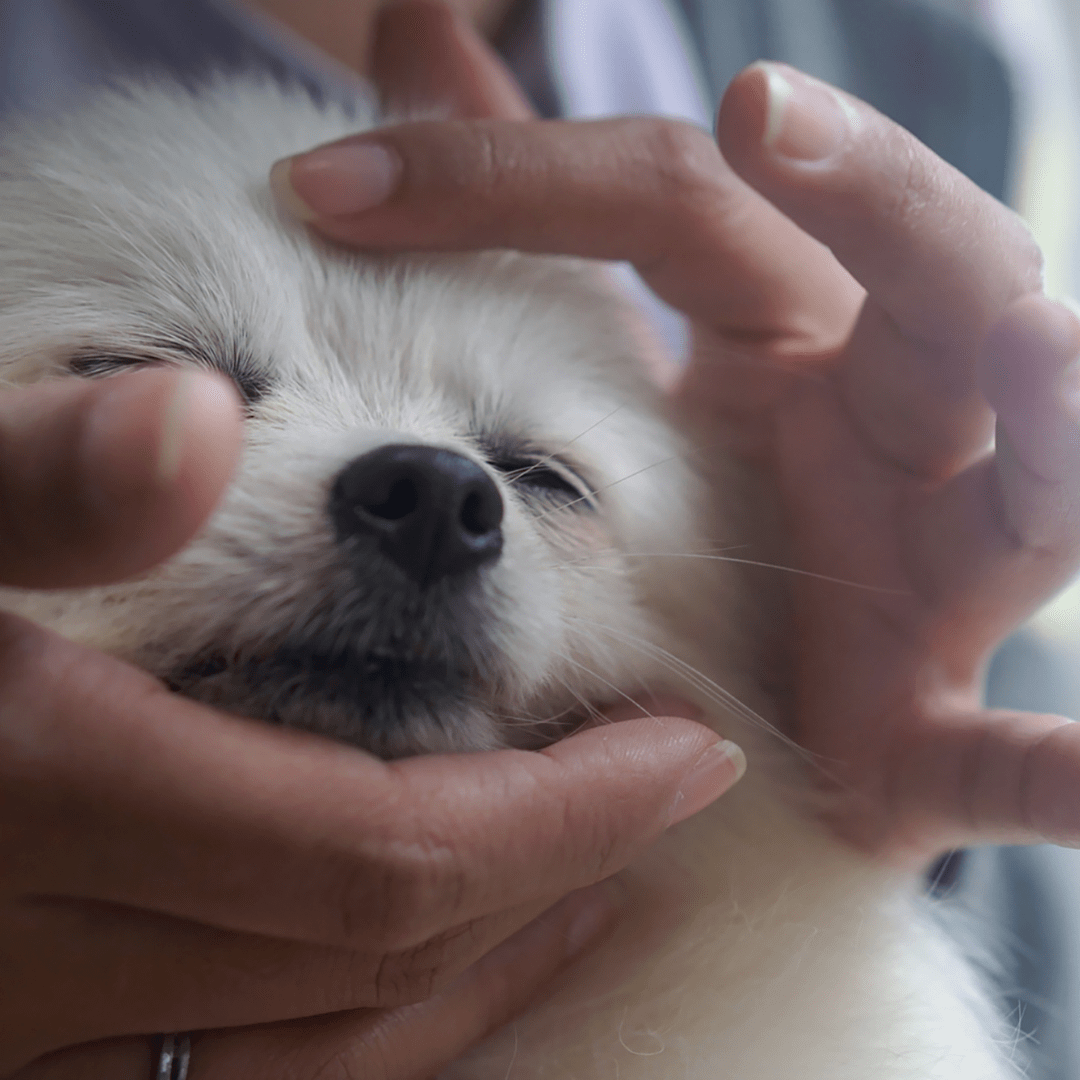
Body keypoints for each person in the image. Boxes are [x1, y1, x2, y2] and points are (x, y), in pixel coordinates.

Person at [1, 2, 1078, 1078]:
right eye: (143, 377)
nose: (439, 495)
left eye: (546, 482)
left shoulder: (915, 53)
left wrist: (866, 771)